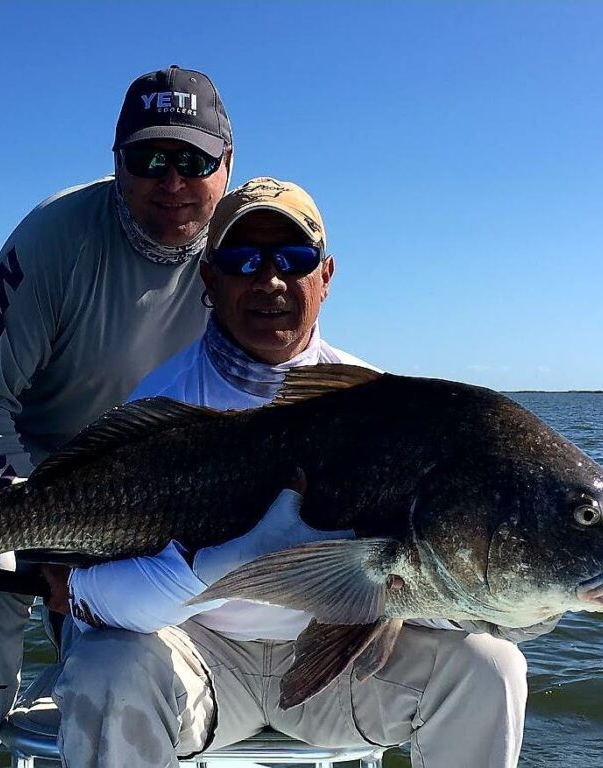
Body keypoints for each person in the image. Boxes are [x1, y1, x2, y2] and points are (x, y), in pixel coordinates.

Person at [43, 177, 544, 768]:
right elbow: (88, 596)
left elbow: (425, 585)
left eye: (295, 258)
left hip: (341, 667)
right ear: (209, 278)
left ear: (325, 276)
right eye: (242, 258)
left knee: (492, 666)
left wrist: (506, 595)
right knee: (105, 669)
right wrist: (221, 567)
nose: (270, 279)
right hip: (197, 661)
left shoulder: (381, 405)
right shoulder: (164, 405)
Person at [0, 65, 233, 768]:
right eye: (150, 159)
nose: (172, 181)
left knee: (131, 652)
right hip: (24, 478)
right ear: (116, 163)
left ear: (227, 163)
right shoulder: (57, 236)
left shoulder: (248, 248)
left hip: (159, 500)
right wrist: (41, 536)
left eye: (193, 159)